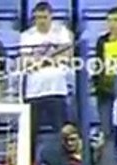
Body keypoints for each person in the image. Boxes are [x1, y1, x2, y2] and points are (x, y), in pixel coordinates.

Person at [19, 2, 73, 137]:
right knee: (30, 133)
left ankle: (63, 158)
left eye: (44, 17)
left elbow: (66, 56)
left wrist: (42, 62)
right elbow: (26, 61)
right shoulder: (27, 36)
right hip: (34, 91)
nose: (41, 21)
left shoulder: (61, 32)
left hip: (57, 89)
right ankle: (30, 158)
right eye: (38, 18)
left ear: (51, 17)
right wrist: (49, 61)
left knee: (61, 131)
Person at [92, 7, 117, 141]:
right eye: (109, 20)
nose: (112, 24)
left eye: (115, 20)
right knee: (107, 129)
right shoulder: (101, 41)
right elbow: (98, 64)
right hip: (105, 92)